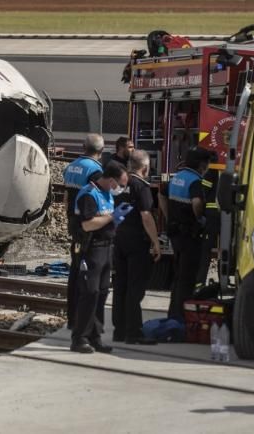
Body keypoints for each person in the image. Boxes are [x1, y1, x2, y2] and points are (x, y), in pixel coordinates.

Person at [71, 161, 128, 354]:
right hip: (91, 248)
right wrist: (112, 218)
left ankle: (95, 336)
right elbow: (87, 224)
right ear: (111, 181)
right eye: (120, 185)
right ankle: (79, 338)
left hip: (106, 248)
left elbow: (105, 219)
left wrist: (117, 219)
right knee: (89, 293)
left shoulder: (106, 194)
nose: (121, 189)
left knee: (102, 292)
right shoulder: (89, 194)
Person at [111, 150, 162, 345]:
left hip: (119, 239)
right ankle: (134, 332)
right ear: (146, 168)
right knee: (135, 287)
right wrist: (156, 242)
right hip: (136, 243)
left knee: (120, 285)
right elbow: (146, 216)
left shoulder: (119, 185)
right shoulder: (141, 187)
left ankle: (119, 330)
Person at [161, 147, 216, 321]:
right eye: (207, 163)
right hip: (190, 235)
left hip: (175, 233)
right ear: (201, 165)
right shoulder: (195, 181)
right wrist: (199, 218)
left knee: (177, 277)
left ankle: (172, 313)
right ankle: (181, 318)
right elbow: (197, 202)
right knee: (187, 278)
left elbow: (162, 195)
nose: (207, 167)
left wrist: (168, 215)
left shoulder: (176, 178)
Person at [63, 133, 105, 325]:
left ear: (83, 147)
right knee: (87, 271)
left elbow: (66, 196)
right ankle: (83, 317)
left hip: (73, 221)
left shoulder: (71, 166)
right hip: (87, 224)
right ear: (102, 151)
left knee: (75, 268)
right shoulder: (95, 171)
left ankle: (72, 316)